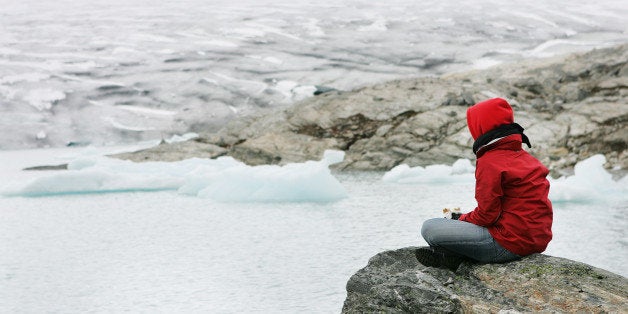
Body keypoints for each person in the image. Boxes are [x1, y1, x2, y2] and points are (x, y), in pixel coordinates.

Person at [415, 97, 553, 271]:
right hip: (535, 241)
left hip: (506, 245)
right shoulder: (525, 158)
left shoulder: (490, 161)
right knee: (460, 224)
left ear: (480, 126)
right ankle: (451, 257)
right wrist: (465, 219)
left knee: (430, 228)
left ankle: (451, 255)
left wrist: (462, 219)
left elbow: (487, 215)